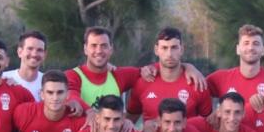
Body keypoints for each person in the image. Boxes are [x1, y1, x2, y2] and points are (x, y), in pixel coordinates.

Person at [66, 26, 204, 106]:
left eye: (104, 46)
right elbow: (72, 97)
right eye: (93, 46)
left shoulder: (120, 75)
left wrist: (188, 66)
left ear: (111, 49)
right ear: (85, 49)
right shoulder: (72, 76)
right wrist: (91, 113)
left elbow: (163, 65)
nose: (99, 51)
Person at [206, 24, 264, 118]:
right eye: (246, 43)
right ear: (238, 49)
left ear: (263, 50)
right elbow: (196, 91)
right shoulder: (221, 78)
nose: (250, 48)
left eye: (256, 43)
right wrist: (191, 69)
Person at [126, 27, 212, 122]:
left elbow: (208, 125)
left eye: (174, 47)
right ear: (156, 50)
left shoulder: (197, 83)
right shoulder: (142, 82)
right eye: (164, 48)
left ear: (182, 49)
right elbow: (129, 122)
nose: (169, 54)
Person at [2, 30, 48, 99]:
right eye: (30, 48)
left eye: (39, 50)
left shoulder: (48, 83)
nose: (34, 54)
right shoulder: (3, 79)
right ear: (20, 52)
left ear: (44, 55)